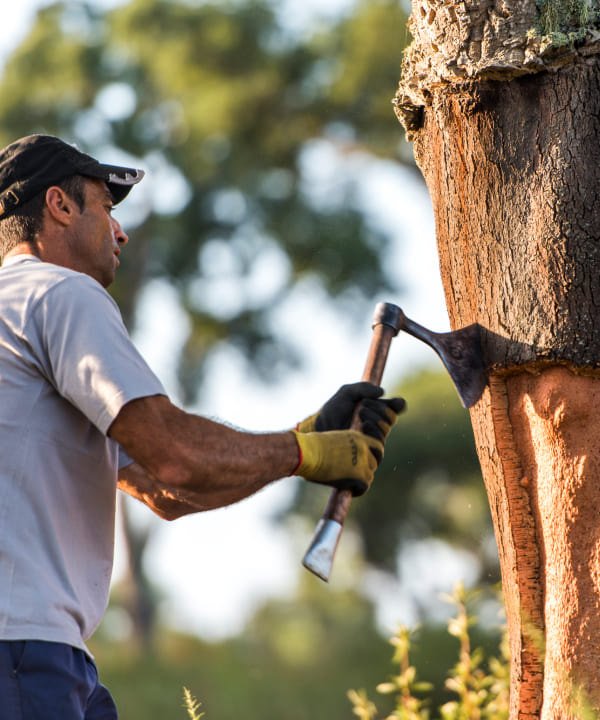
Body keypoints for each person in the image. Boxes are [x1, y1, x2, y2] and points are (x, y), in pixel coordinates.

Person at [0, 134, 405, 720]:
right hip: (23, 651)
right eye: (108, 210)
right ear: (60, 205)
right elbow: (176, 456)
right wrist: (306, 454)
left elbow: (165, 491)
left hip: (41, 649)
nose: (121, 233)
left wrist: (304, 438)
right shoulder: (57, 292)